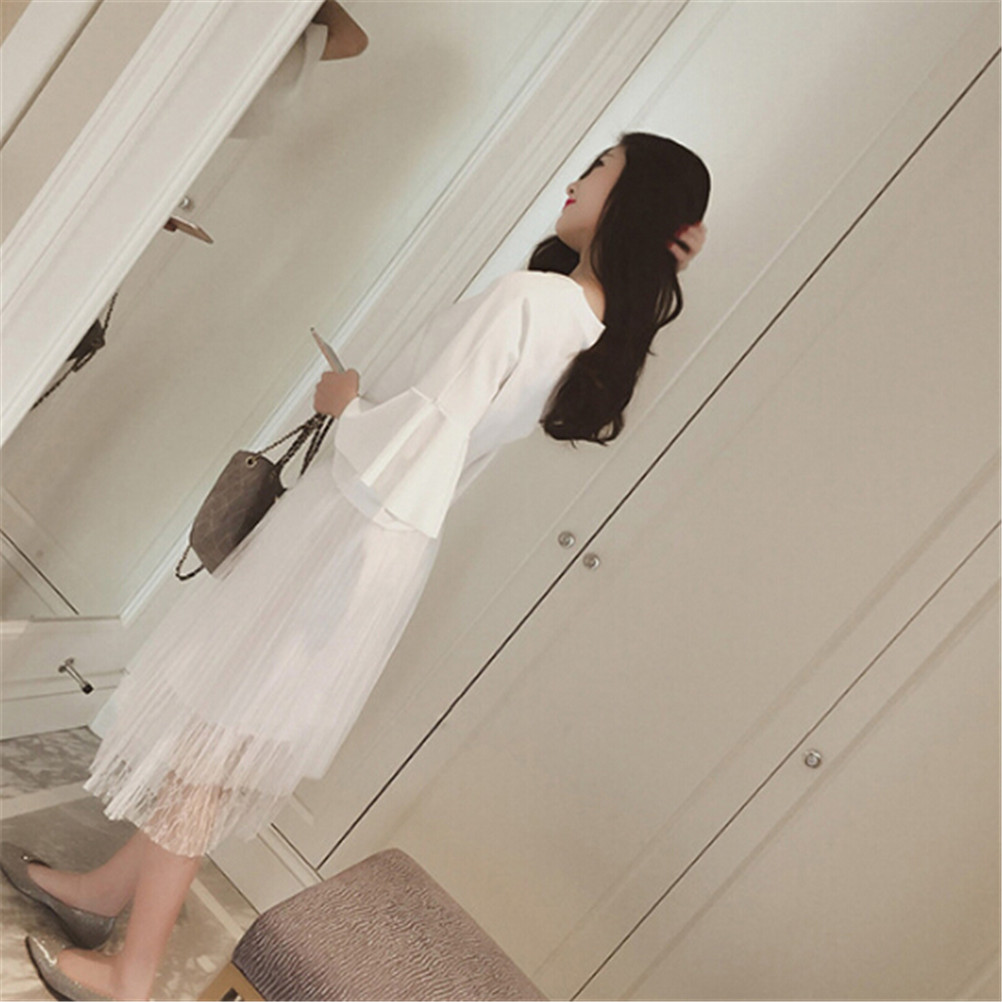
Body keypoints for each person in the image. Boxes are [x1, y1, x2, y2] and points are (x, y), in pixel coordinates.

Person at [3, 132, 709, 1002]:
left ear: (633, 200)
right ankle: (102, 895)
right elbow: (446, 448)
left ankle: (132, 975)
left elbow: (417, 447)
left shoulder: (531, 299)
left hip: (348, 535)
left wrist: (347, 405)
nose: (576, 178)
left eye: (600, 169)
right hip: (374, 549)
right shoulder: (581, 326)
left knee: (206, 748)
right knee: (217, 737)